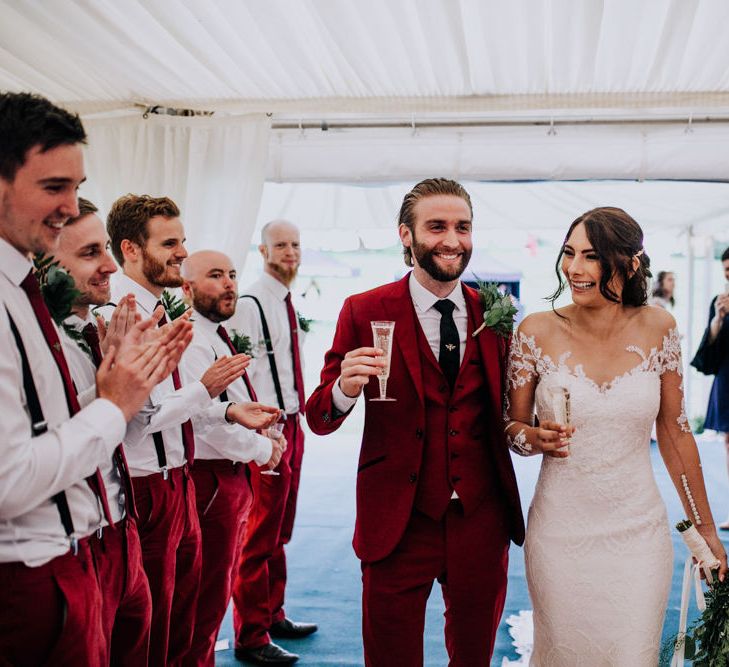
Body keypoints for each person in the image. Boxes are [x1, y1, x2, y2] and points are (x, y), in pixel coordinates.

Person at [0, 91, 185, 665]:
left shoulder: (22, 292)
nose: (70, 206)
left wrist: (114, 378)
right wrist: (116, 401)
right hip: (31, 579)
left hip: (86, 551)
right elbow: (8, 481)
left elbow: (44, 421)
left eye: (76, 188)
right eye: (54, 188)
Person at [306, 178, 524, 666]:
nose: (452, 240)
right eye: (437, 226)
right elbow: (318, 417)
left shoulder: (495, 313)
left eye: (463, 227)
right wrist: (343, 389)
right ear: (406, 235)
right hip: (397, 520)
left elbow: (512, 405)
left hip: (479, 517)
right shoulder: (363, 310)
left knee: (474, 655)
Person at [504, 207, 727, 665]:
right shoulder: (534, 331)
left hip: (637, 531)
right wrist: (535, 438)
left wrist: (704, 527)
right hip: (559, 530)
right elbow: (511, 428)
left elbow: (676, 432)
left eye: (592, 256)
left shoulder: (659, 327)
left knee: (633, 653)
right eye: (569, 254)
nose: (575, 269)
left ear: (629, 263)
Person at [105, 194, 278, 666]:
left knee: (187, 617)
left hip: (179, 479)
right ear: (131, 250)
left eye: (182, 241)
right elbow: (139, 422)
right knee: (156, 629)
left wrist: (224, 411)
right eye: (170, 243)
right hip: (147, 486)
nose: (182, 253)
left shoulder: (167, 314)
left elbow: (170, 407)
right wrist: (206, 391)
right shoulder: (120, 317)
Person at [54, 198, 155, 665]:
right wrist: (112, 393)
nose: (112, 265)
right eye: (90, 253)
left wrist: (130, 374)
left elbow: (128, 437)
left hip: (122, 528)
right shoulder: (34, 346)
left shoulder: (97, 332)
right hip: (77, 546)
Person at [179, 250, 285, 667]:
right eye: (215, 276)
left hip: (229, 474)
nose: (228, 284)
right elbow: (203, 419)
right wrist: (263, 449)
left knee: (214, 590)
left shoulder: (215, 333)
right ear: (186, 288)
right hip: (211, 477)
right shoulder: (192, 339)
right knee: (203, 598)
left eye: (232, 274)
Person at [228, 219, 316, 665]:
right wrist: (261, 430)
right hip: (269, 429)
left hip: (293, 424)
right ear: (262, 251)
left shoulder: (284, 300)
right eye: (280, 245)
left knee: (279, 529)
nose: (290, 252)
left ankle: (272, 612)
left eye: (295, 244)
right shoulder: (250, 302)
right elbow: (238, 369)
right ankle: (250, 636)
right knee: (258, 533)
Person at [702, 246, 729, 530]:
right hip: (726, 375)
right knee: (728, 442)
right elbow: (709, 344)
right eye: (726, 271)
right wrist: (718, 318)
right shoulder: (719, 300)